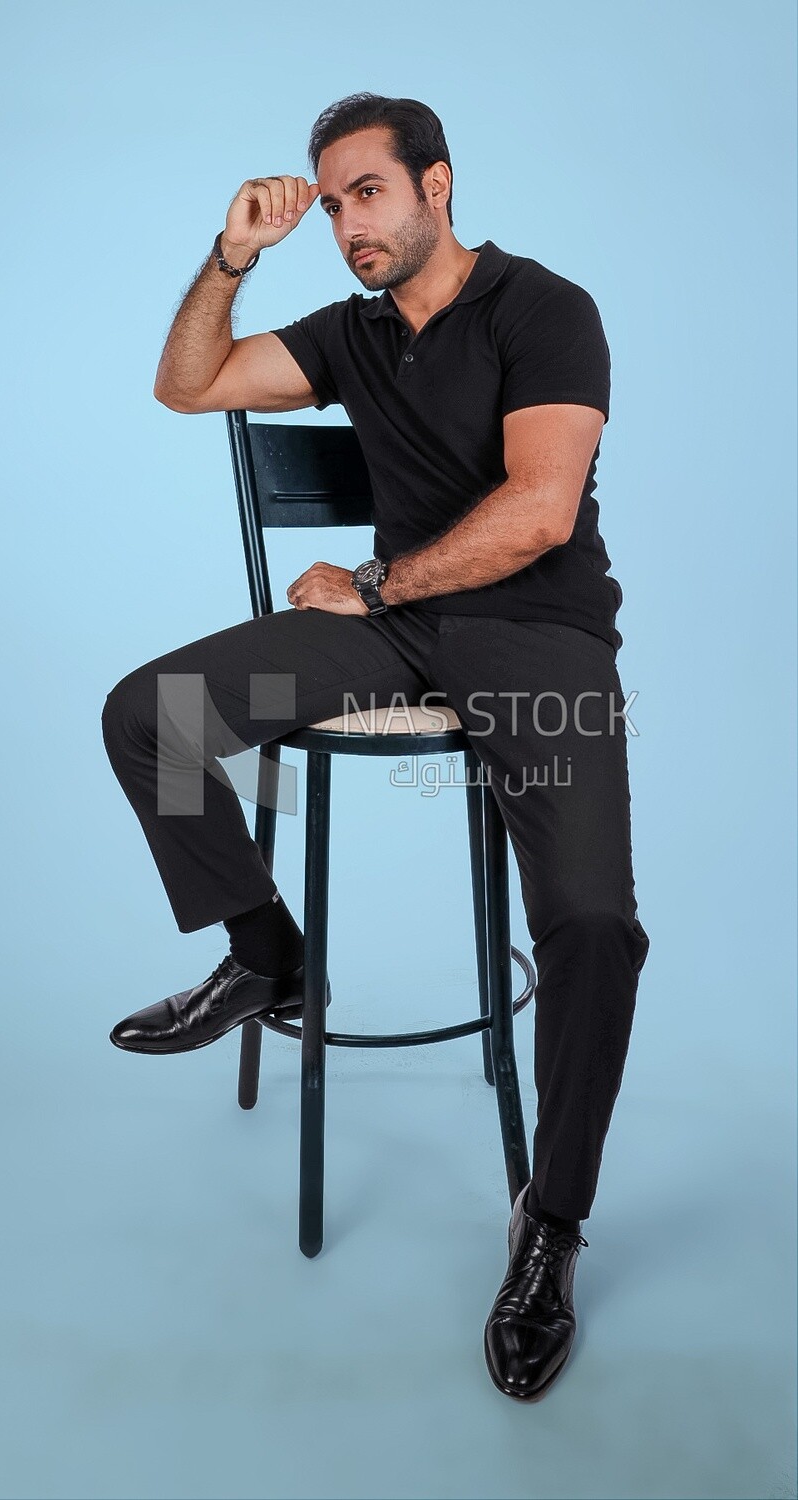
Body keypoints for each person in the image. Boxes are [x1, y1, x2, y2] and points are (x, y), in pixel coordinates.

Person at [102, 91, 650, 1402]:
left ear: (436, 186)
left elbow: (536, 511)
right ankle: (270, 958)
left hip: (535, 638)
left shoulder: (542, 309)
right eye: (331, 198)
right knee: (153, 714)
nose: (349, 218)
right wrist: (231, 257)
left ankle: (550, 1228)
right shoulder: (349, 332)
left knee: (591, 923)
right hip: (396, 629)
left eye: (369, 191)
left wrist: (384, 583)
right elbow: (188, 385)